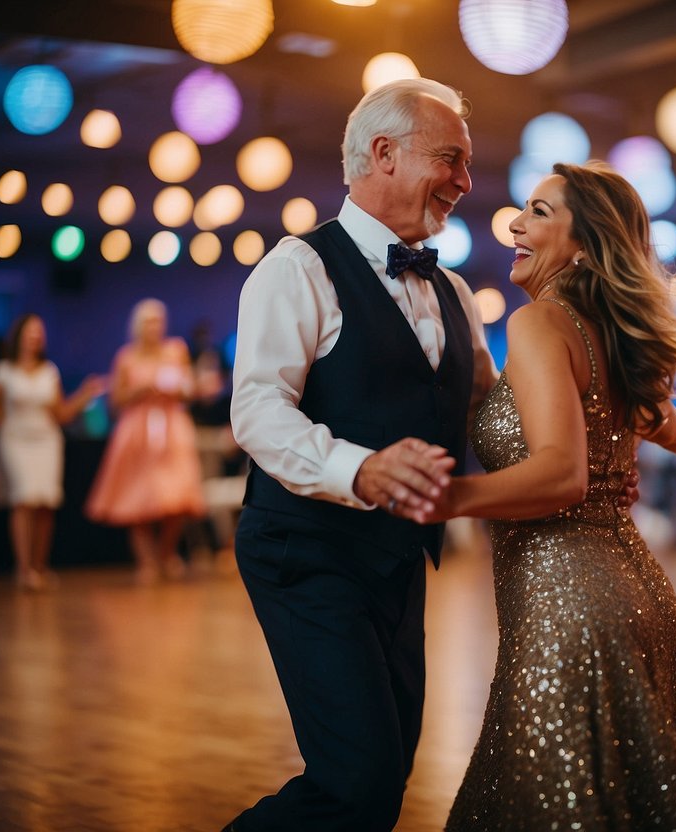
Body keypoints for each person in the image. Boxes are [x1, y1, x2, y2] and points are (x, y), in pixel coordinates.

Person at [403, 163, 676, 831]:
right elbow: (659, 422)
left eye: (539, 212)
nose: (514, 223)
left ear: (585, 241)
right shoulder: (606, 331)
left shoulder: (541, 323)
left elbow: (560, 475)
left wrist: (444, 496)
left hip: (567, 609)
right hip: (637, 598)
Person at [226, 78, 500, 832]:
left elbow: (489, 411)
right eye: (450, 158)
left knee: (386, 773)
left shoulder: (453, 289)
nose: (465, 183)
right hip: (304, 547)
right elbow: (254, 410)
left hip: (398, 558)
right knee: (357, 778)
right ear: (382, 153)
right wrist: (360, 467)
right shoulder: (297, 267)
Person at [85, 298, 205, 584]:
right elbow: (114, 403)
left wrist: (178, 390)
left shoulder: (176, 350)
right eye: (148, 321)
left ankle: (167, 554)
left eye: (158, 321)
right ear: (137, 325)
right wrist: (140, 391)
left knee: (175, 497)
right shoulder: (126, 357)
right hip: (136, 432)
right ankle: (146, 560)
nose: (154, 327)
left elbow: (191, 390)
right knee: (136, 498)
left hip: (171, 428)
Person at [0, 313, 104, 590]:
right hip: (15, 439)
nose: (35, 338)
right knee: (23, 498)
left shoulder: (49, 371)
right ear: (19, 336)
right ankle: (23, 568)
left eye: (39, 333)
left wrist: (84, 395)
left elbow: (61, 413)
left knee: (44, 503)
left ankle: (39, 567)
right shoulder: (2, 372)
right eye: (30, 332)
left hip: (46, 440)